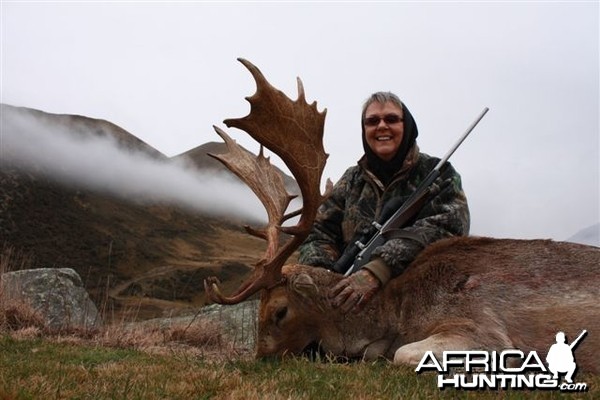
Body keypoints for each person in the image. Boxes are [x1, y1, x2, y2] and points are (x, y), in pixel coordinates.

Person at [298, 92, 470, 313]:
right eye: (372, 121)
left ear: (406, 125)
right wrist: (322, 277)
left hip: (420, 303)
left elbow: (447, 228)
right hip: (348, 302)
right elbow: (317, 232)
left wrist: (379, 268)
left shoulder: (439, 174)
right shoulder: (351, 180)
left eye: (391, 119)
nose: (381, 126)